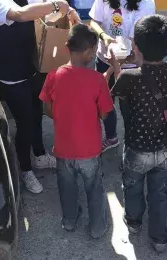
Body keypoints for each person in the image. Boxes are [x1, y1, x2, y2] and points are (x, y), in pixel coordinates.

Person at [0, 0, 80, 194]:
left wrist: (65, 9)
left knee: (37, 115)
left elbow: (44, 2)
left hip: (30, 70)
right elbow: (22, 14)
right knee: (24, 123)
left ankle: (39, 155)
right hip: (10, 77)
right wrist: (58, 5)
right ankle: (25, 170)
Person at [109, 15, 167, 253]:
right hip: (164, 147)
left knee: (132, 186)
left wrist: (117, 66)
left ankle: (134, 222)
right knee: (159, 193)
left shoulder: (129, 77)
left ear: (136, 46)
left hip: (136, 148)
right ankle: (159, 239)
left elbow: (116, 94)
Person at [39, 24, 114, 238]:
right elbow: (104, 114)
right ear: (91, 52)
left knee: (67, 189)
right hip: (90, 151)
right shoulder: (97, 80)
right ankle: (97, 227)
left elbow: (47, 109)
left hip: (63, 150)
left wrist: (64, 117)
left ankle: (69, 222)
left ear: (66, 47)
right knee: (94, 189)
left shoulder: (53, 76)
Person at [89, 0, 156, 152]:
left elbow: (139, 44)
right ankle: (111, 138)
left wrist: (116, 67)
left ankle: (132, 147)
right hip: (104, 57)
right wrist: (104, 37)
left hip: (131, 64)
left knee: (130, 109)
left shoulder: (146, 2)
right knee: (105, 104)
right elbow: (94, 22)